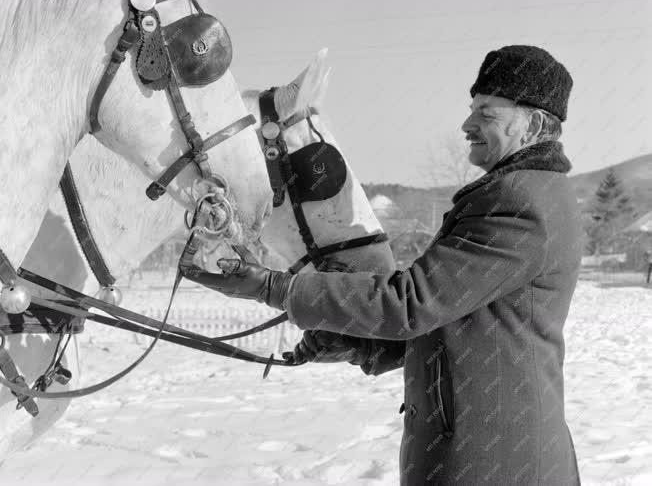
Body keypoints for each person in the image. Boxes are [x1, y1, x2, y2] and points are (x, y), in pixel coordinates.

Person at [184, 45, 582, 485]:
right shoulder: (523, 193)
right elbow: (454, 316)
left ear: (534, 123)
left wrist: (275, 288)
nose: (467, 125)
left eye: (486, 113)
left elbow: (411, 303)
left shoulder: (518, 203)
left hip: (493, 464)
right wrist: (362, 346)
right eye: (472, 109)